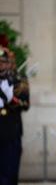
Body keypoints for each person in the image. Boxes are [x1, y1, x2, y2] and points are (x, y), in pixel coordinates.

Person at [0, 46, 30, 185]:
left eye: (4, 61)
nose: (1, 64)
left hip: (11, 130)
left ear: (10, 63)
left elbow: (25, 104)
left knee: (10, 172)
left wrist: (10, 98)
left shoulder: (18, 79)